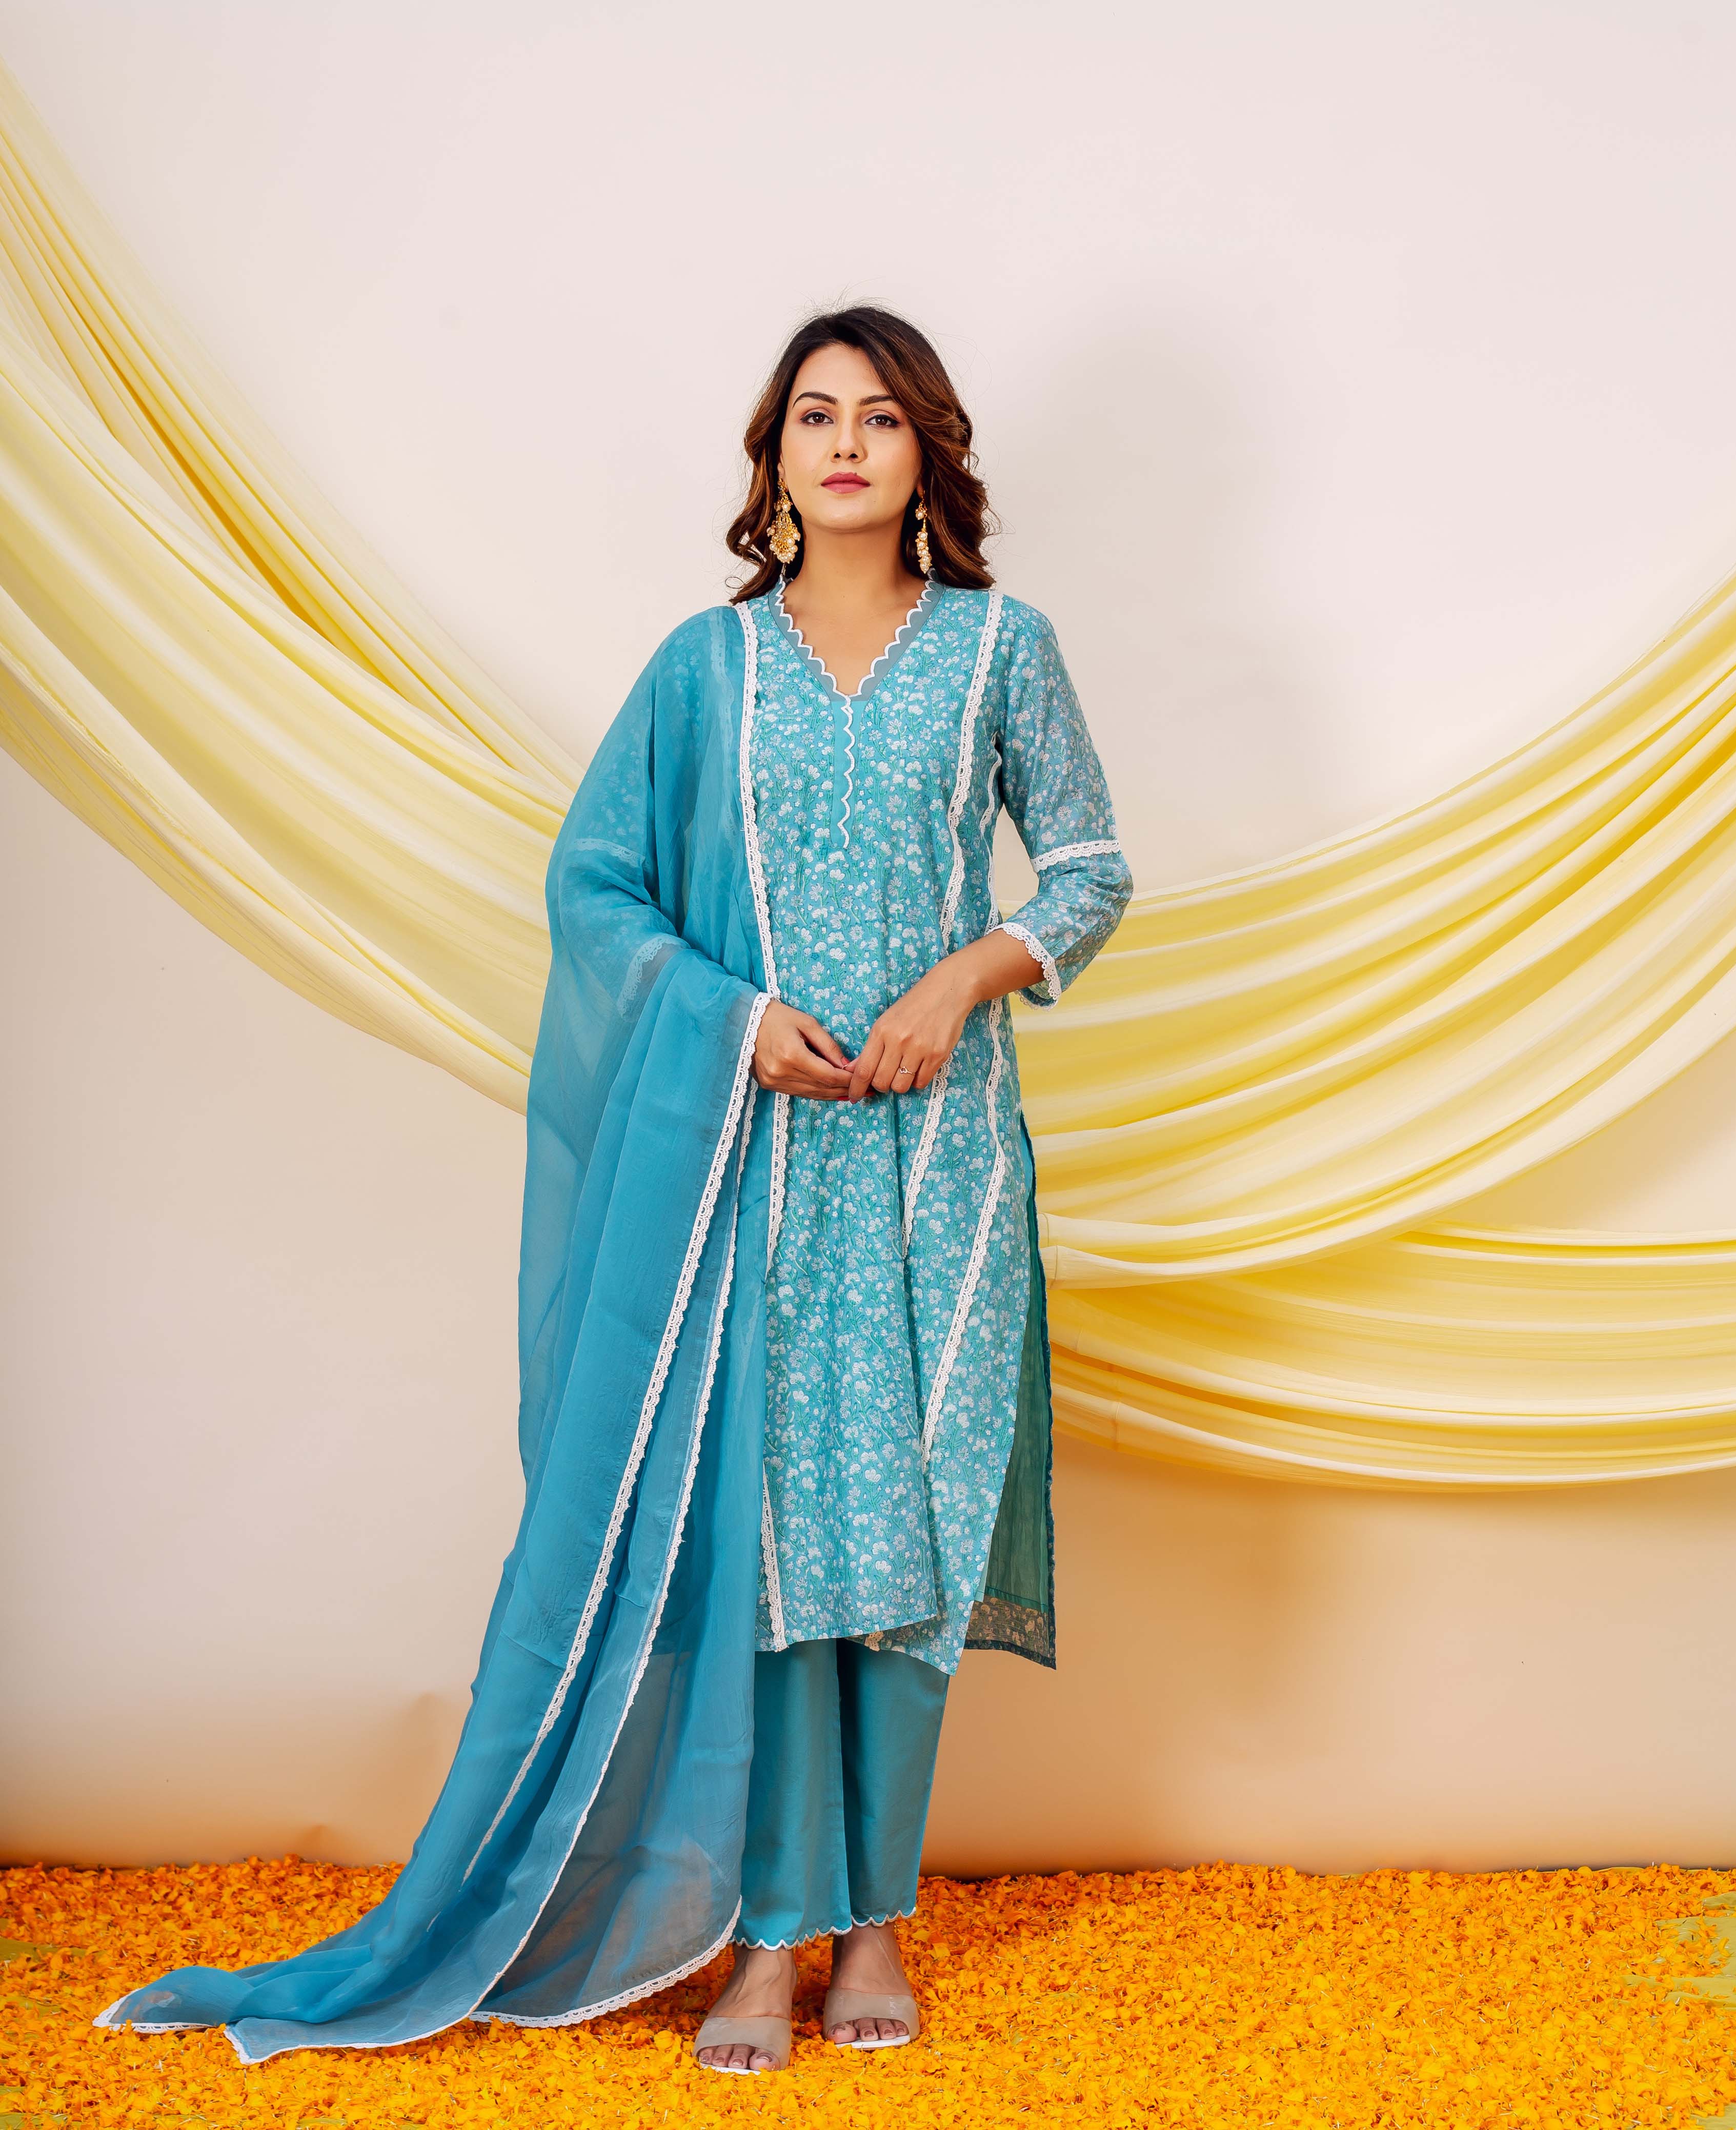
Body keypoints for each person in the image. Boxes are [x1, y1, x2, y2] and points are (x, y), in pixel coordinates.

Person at [93, 306, 1131, 2078]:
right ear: (775, 455)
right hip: (753, 1163)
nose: (846, 443)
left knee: (911, 1549)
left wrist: (966, 980)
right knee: (782, 1549)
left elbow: (1092, 866)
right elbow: (597, 889)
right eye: (816, 415)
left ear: (928, 456)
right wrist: (734, 1023)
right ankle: (771, 1934)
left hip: (938, 1162)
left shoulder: (999, 650)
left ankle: (880, 1923)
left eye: (881, 417)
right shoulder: (704, 671)